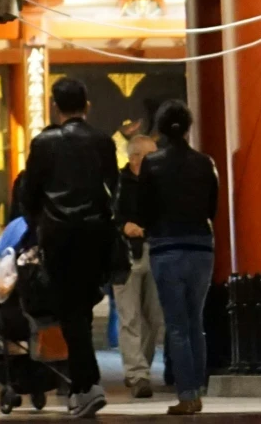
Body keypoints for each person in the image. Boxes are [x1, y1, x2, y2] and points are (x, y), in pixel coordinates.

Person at [22, 73, 121, 422]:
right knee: (79, 311)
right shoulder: (103, 141)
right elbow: (115, 190)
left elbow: (28, 193)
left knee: (70, 313)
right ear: (87, 106)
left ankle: (87, 386)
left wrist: (37, 227)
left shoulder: (43, 143)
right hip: (95, 235)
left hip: (60, 236)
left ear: (54, 105)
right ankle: (84, 387)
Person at [130, 100, 217, 418]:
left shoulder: (152, 164)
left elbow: (143, 210)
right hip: (201, 247)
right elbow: (212, 209)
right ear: (189, 127)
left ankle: (187, 394)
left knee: (177, 325)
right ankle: (198, 389)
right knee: (196, 322)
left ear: (161, 129)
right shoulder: (205, 162)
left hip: (167, 247)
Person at [114, 121, 163, 400]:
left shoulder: (159, 183)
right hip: (125, 255)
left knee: (154, 318)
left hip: (154, 251)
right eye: (149, 155)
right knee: (129, 316)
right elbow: (107, 215)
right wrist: (124, 227)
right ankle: (137, 374)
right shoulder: (116, 183)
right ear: (134, 157)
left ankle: (140, 368)